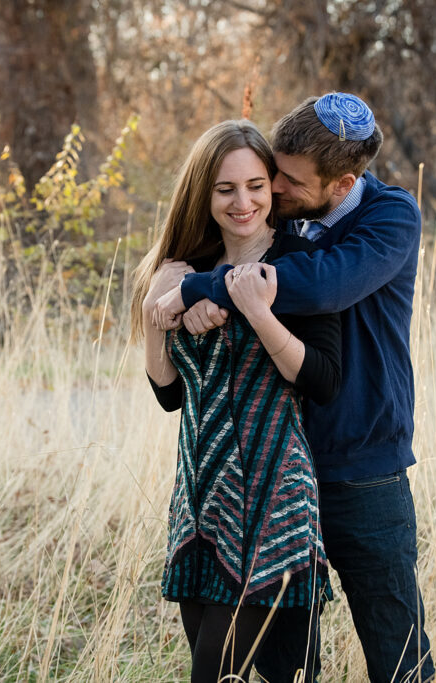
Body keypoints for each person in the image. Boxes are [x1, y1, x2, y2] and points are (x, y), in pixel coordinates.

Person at [152, 94, 436, 682]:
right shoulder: (277, 215)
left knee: (397, 653)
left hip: (362, 465)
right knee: (285, 665)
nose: (273, 188)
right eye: (272, 171)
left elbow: (320, 283)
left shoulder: (390, 218)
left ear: (342, 183)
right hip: (274, 480)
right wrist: (184, 292)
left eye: (287, 179)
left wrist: (202, 289)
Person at [130, 119, 342, 683]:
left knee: (214, 676)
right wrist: (158, 312)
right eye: (225, 190)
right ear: (204, 193)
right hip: (200, 503)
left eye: (254, 185)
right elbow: (169, 393)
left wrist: (257, 311)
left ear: (272, 186)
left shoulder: (298, 262)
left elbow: (322, 379)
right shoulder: (190, 272)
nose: (243, 201)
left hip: (271, 500)